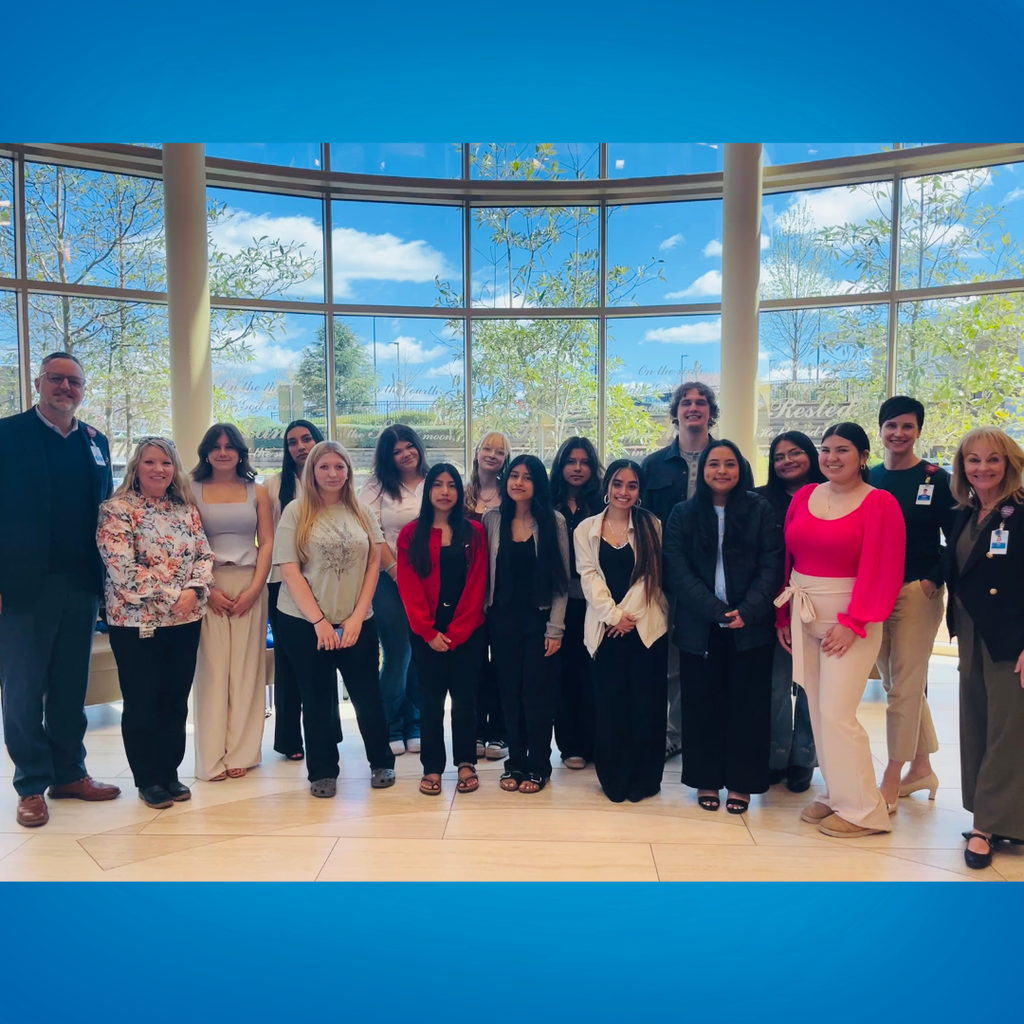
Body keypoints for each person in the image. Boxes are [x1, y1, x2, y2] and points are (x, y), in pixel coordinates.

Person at [0, 352, 121, 827]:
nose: (65, 387)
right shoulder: (7, 435)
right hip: (22, 587)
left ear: (83, 389)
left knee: (71, 687)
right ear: (38, 383)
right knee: (24, 689)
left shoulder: (96, 441)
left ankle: (70, 773)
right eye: (56, 378)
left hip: (81, 584)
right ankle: (31, 784)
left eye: (74, 381)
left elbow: (105, 511)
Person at [775, 422, 905, 838]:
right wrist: (784, 617)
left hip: (852, 621)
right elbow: (788, 559)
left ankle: (865, 809)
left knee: (838, 713)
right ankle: (837, 794)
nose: (832, 457)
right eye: (826, 449)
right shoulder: (806, 496)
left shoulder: (879, 503)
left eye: (843, 450)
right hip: (804, 611)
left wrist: (855, 622)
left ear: (863, 456)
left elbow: (883, 569)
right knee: (816, 711)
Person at [97, 437, 215, 808]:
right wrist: (172, 597)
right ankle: (148, 779)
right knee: (142, 701)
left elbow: (203, 554)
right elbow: (122, 569)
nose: (159, 469)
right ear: (136, 466)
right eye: (150, 462)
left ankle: (170, 773)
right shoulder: (116, 510)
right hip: (136, 623)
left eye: (166, 463)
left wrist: (195, 590)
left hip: (185, 619)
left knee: (175, 701)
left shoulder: (185, 509)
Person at [665, 441, 782, 814]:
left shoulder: (760, 509)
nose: (721, 471)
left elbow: (772, 564)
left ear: (741, 469)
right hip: (700, 626)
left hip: (751, 626)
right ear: (702, 471)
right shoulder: (682, 513)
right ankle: (707, 780)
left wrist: (747, 609)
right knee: (702, 705)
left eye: (729, 464)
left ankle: (743, 783)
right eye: (713, 464)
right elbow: (677, 570)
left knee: (748, 706)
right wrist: (715, 610)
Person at [273, 441, 396, 796]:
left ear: (348, 471)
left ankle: (381, 761)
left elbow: (374, 563)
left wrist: (357, 617)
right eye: (324, 467)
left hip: (356, 620)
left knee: (367, 697)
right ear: (312, 471)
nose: (332, 474)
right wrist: (319, 622)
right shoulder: (297, 511)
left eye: (339, 467)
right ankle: (322, 770)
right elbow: (290, 570)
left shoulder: (361, 511)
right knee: (316, 699)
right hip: (303, 622)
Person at [870, 396, 957, 809]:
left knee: (904, 687)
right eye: (891, 426)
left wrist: (931, 581)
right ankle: (921, 766)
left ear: (919, 431)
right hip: (876, 592)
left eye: (907, 426)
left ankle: (891, 776)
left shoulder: (937, 478)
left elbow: (957, 537)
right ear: (881, 430)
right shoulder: (869, 478)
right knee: (894, 683)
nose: (898, 434)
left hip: (916, 591)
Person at [943, 427, 1024, 869]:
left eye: (993, 459)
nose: (982, 468)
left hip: (1011, 638)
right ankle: (998, 816)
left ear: (1009, 463)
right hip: (972, 633)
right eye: (973, 460)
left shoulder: (1022, 511)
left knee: (1007, 731)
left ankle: (985, 827)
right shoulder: (968, 512)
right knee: (977, 721)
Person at [575, 460, 668, 803]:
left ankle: (644, 779)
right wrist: (613, 617)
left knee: (646, 707)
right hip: (605, 631)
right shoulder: (586, 529)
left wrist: (627, 616)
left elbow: (651, 576)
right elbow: (589, 576)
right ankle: (614, 778)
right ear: (607, 487)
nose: (623, 492)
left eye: (631, 485)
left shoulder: (651, 524)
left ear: (639, 491)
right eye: (618, 484)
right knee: (610, 705)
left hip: (646, 630)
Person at [397, 464, 488, 797]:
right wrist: (428, 630)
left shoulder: (475, 532)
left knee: (466, 699)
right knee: (431, 701)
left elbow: (478, 583)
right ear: (428, 491)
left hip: (468, 631)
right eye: (438, 485)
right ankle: (432, 768)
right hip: (427, 634)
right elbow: (408, 586)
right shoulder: (410, 534)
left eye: (452, 485)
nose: (445, 491)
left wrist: (460, 631)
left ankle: (466, 763)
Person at [190, 424, 274, 781]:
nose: (223, 452)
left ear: (241, 452)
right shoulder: (189, 489)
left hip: (249, 581)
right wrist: (207, 589)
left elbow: (267, 543)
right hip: (206, 585)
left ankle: (242, 752)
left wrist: (256, 589)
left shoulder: (258, 491)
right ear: (206, 452)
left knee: (246, 671)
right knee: (211, 672)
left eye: (230, 446)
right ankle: (210, 757)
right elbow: (188, 544)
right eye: (216, 446)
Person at [641, 380, 718, 761]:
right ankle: (672, 733)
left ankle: (706, 730)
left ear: (710, 412)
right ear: (676, 412)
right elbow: (642, 525)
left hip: (714, 580)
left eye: (701, 403)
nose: (693, 408)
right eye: (686, 403)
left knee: (712, 658)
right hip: (665, 579)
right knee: (669, 659)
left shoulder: (726, 459)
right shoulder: (653, 465)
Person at [484, 454, 570, 793]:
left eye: (527, 477)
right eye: (514, 475)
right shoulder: (493, 519)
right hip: (501, 621)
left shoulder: (554, 521)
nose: (518, 482)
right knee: (509, 695)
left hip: (540, 622)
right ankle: (514, 763)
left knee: (537, 696)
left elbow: (561, 581)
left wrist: (556, 628)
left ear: (539, 484)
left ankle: (539, 765)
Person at [756, 431, 825, 793]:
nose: (787, 461)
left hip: (822, 603)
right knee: (777, 686)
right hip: (774, 605)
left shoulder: (830, 495)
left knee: (812, 685)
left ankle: (803, 757)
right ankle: (776, 754)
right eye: (779, 456)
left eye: (795, 453)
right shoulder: (759, 499)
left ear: (811, 455)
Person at [359, 424, 427, 757]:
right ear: (387, 456)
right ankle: (387, 725)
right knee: (398, 653)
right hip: (390, 578)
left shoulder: (434, 481)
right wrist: (396, 572)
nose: (405, 454)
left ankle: (415, 723)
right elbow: (373, 533)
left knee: (419, 652)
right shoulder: (375, 487)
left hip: (430, 580)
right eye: (396, 450)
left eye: (409, 446)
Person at [265, 419, 325, 760]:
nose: (300, 447)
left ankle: (326, 732)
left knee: (324, 657)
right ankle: (289, 740)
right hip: (282, 582)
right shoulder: (274, 486)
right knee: (288, 662)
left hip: (326, 582)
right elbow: (268, 538)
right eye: (293, 442)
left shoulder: (332, 481)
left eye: (307, 439)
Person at [549, 436, 603, 769]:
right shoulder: (548, 503)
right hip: (559, 603)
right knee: (564, 675)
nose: (578, 468)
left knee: (594, 674)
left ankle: (597, 742)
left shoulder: (602, 504)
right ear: (561, 466)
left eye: (584, 462)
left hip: (596, 602)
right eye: (571, 462)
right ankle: (571, 746)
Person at [464, 430, 512, 762]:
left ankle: (501, 731)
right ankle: (477, 730)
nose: (492, 455)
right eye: (487, 448)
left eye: (500, 451)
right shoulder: (461, 494)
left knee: (504, 666)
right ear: (477, 453)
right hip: (466, 593)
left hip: (502, 593)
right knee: (475, 665)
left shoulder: (512, 494)